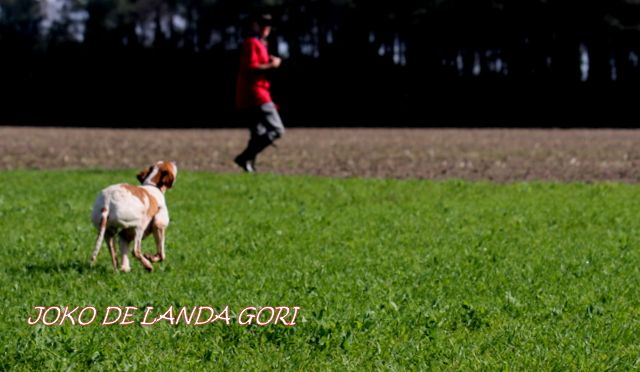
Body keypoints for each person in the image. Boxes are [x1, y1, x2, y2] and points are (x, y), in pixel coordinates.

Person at [234, 13, 285, 173]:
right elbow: (250, 68)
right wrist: (272, 65)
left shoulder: (262, 44)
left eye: (268, 25)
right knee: (277, 130)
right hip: (255, 95)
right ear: (255, 25)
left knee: (257, 133)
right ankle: (244, 157)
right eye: (262, 24)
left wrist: (268, 61)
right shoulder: (251, 43)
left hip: (254, 94)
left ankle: (248, 166)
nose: (266, 28)